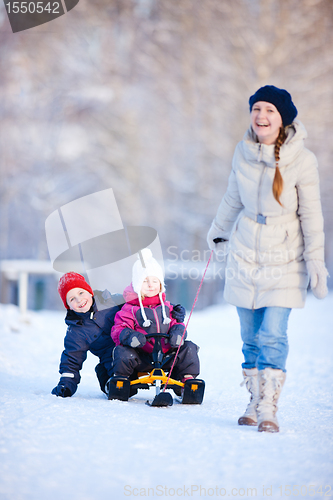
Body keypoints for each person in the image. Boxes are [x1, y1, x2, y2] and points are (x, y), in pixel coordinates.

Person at [207, 85, 328, 432]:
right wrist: (219, 230)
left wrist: (316, 260)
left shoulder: (303, 160)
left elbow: (312, 215)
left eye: (269, 111)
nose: (261, 116)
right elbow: (232, 196)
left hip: (286, 254)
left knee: (273, 333)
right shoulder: (241, 152)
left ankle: (269, 406)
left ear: (282, 118)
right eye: (256, 109)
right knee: (250, 336)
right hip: (246, 250)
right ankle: (254, 397)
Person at [52, 271, 185, 398]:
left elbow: (142, 301)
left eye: (81, 292)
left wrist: (171, 310)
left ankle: (179, 380)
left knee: (166, 355)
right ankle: (109, 384)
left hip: (137, 346)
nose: (79, 300)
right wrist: (66, 384)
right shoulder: (76, 330)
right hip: (111, 360)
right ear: (68, 305)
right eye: (72, 299)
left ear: (90, 291)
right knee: (125, 389)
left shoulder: (109, 300)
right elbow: (72, 358)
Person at [109, 248, 200, 400]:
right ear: (137, 284)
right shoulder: (130, 309)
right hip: (141, 356)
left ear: (160, 284)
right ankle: (122, 381)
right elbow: (118, 329)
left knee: (189, 348)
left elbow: (177, 324)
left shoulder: (167, 307)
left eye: (154, 281)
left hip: (166, 356)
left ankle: (187, 381)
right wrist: (130, 336)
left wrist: (178, 333)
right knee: (123, 352)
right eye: (145, 281)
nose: (150, 285)